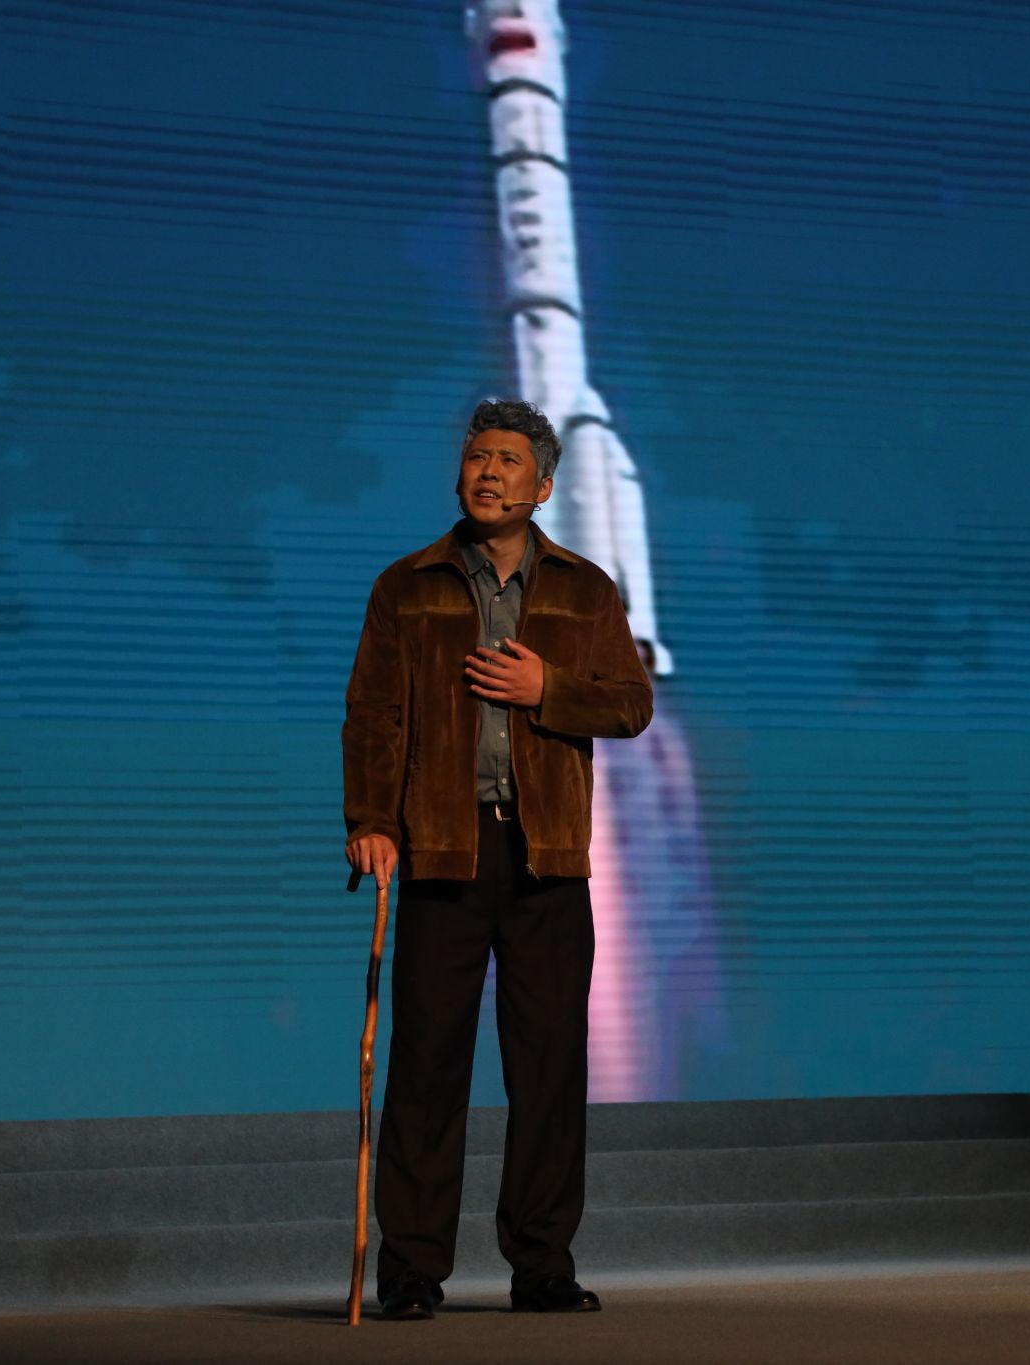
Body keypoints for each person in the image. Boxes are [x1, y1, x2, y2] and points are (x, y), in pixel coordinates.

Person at [342, 397, 654, 1320]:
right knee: (427, 1067)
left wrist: (547, 685)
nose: (488, 471)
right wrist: (371, 817)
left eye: (509, 460)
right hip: (445, 848)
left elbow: (631, 704)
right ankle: (411, 1268)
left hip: (546, 855)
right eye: (478, 456)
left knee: (549, 1070)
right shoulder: (407, 586)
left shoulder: (585, 590)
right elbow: (373, 714)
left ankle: (542, 1263)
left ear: (543, 486)